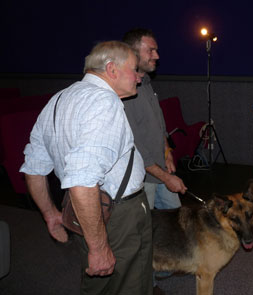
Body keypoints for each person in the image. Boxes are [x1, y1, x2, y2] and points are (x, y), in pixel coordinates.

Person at [20, 41, 153, 295]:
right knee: (129, 285)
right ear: (112, 69)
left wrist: (51, 215)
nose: (138, 77)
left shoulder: (58, 99)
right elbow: (82, 182)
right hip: (117, 217)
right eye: (134, 69)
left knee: (98, 286)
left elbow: (34, 167)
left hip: (86, 212)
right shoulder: (105, 103)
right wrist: (99, 247)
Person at [122, 28, 187, 211]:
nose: (157, 56)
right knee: (144, 234)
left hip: (160, 169)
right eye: (150, 50)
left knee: (175, 224)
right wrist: (167, 178)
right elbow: (135, 146)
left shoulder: (147, 82)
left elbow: (159, 126)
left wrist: (167, 151)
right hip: (143, 178)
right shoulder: (125, 90)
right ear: (132, 52)